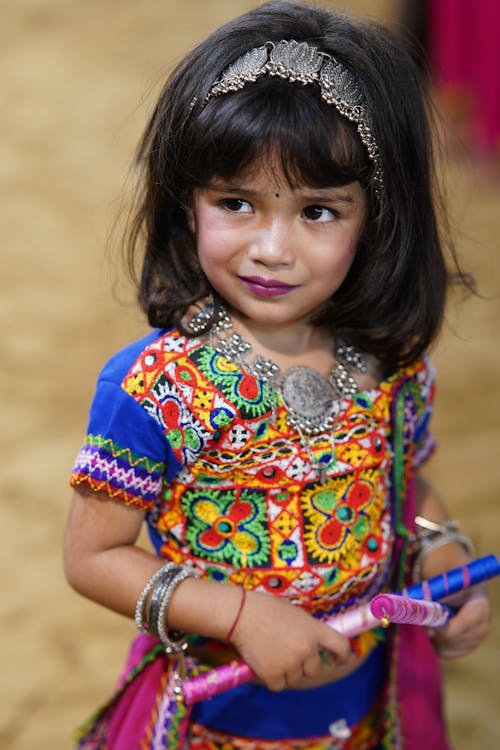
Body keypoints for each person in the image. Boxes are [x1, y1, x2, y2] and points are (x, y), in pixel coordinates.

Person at [64, 2, 492, 748]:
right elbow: (93, 558)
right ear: (184, 203)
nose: (271, 248)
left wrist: (440, 549)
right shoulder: (157, 388)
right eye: (236, 202)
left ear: (378, 220)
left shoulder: (390, 363)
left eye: (318, 212)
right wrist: (240, 616)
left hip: (368, 705)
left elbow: (402, 482)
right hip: (216, 714)